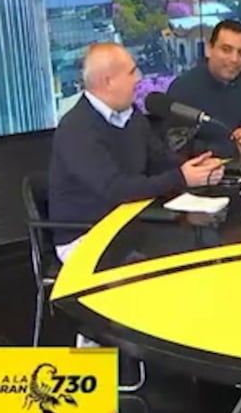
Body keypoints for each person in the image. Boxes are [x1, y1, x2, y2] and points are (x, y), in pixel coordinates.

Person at [49, 43, 226, 264]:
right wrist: (181, 177)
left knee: (202, 246)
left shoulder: (131, 115)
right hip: (87, 237)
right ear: (109, 81)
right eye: (132, 72)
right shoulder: (76, 129)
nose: (139, 78)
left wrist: (196, 168)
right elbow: (116, 189)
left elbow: (159, 159)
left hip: (129, 225)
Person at [167, 19, 241, 159]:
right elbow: (176, 146)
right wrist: (230, 148)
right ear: (209, 49)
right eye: (226, 50)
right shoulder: (182, 89)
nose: (234, 59)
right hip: (204, 170)